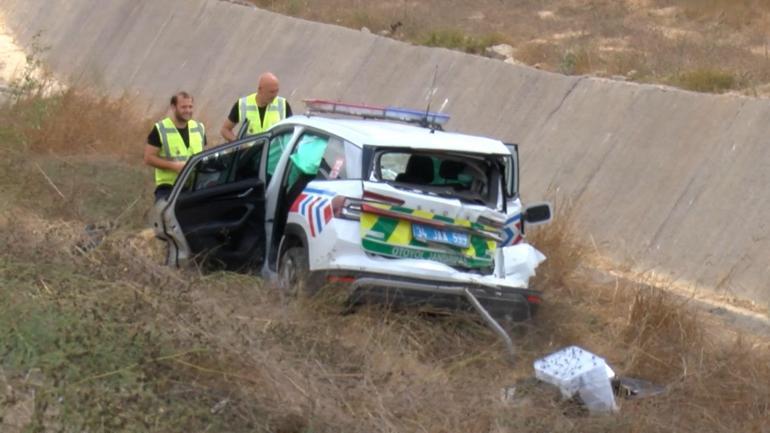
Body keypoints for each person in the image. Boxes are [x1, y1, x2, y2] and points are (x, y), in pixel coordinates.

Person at [143, 91, 207, 201]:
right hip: (168, 188)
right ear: (173, 107)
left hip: (194, 187)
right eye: (183, 107)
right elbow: (148, 158)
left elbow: (203, 155)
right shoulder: (160, 128)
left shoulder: (199, 128)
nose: (188, 110)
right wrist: (174, 166)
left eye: (190, 107)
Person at [220, 72, 292, 142]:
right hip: (251, 153)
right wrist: (238, 144)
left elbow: (293, 129)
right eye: (271, 92)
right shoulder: (243, 104)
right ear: (260, 90)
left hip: (275, 153)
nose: (275, 95)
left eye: (277, 91)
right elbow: (225, 130)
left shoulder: (283, 104)